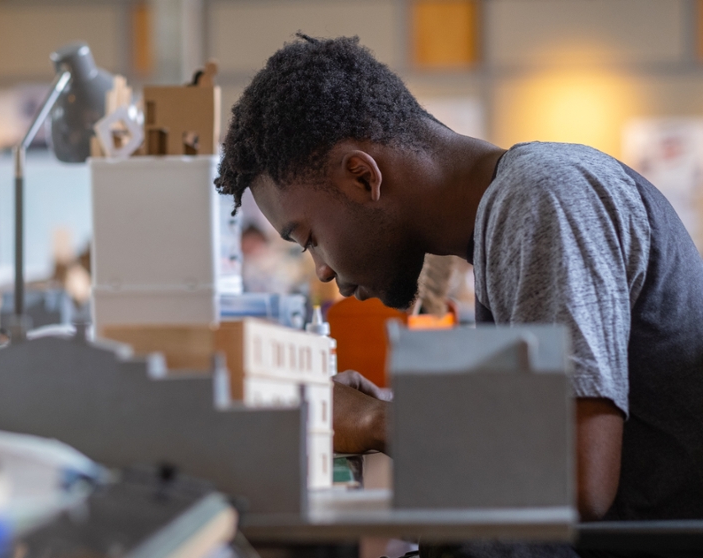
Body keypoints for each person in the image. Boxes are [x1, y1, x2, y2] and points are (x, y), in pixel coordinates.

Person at [214, 34, 703, 556]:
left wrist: (372, 422)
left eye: (309, 238)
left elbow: (576, 484)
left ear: (362, 176)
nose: (325, 271)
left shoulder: (540, 199)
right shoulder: (507, 217)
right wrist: (393, 411)